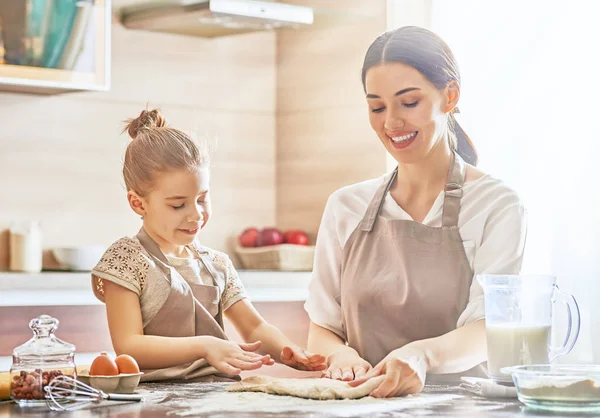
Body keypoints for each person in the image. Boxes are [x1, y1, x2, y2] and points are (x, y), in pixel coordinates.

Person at [304, 26, 527, 397]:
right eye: (377, 107)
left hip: (463, 406)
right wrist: (339, 355)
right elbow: (322, 328)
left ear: (450, 96)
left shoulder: (497, 205)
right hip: (365, 404)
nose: (391, 123)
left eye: (409, 103)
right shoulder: (346, 206)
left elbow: (489, 329)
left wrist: (421, 356)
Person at [91, 108, 326, 382]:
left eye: (202, 199)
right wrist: (204, 346)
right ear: (138, 203)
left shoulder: (216, 264)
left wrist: (289, 351)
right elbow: (129, 346)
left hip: (217, 394)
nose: (196, 214)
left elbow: (255, 327)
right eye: (178, 205)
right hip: (154, 401)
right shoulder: (127, 260)